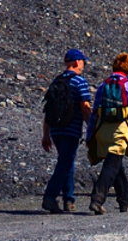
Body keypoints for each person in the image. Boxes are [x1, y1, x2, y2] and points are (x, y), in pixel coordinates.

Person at [86, 53, 128, 215]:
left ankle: (125, 201)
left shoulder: (104, 85)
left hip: (103, 130)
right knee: (111, 165)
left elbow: (94, 112)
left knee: (117, 166)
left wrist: (90, 135)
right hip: (120, 130)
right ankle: (97, 199)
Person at [40, 49, 93, 213]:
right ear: (77, 62)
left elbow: (48, 109)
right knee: (65, 163)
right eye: (83, 62)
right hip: (71, 128)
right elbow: (85, 107)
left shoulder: (56, 81)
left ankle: (69, 200)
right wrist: (91, 127)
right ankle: (50, 196)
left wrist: (46, 134)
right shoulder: (80, 81)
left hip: (55, 129)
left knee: (67, 161)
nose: (83, 65)